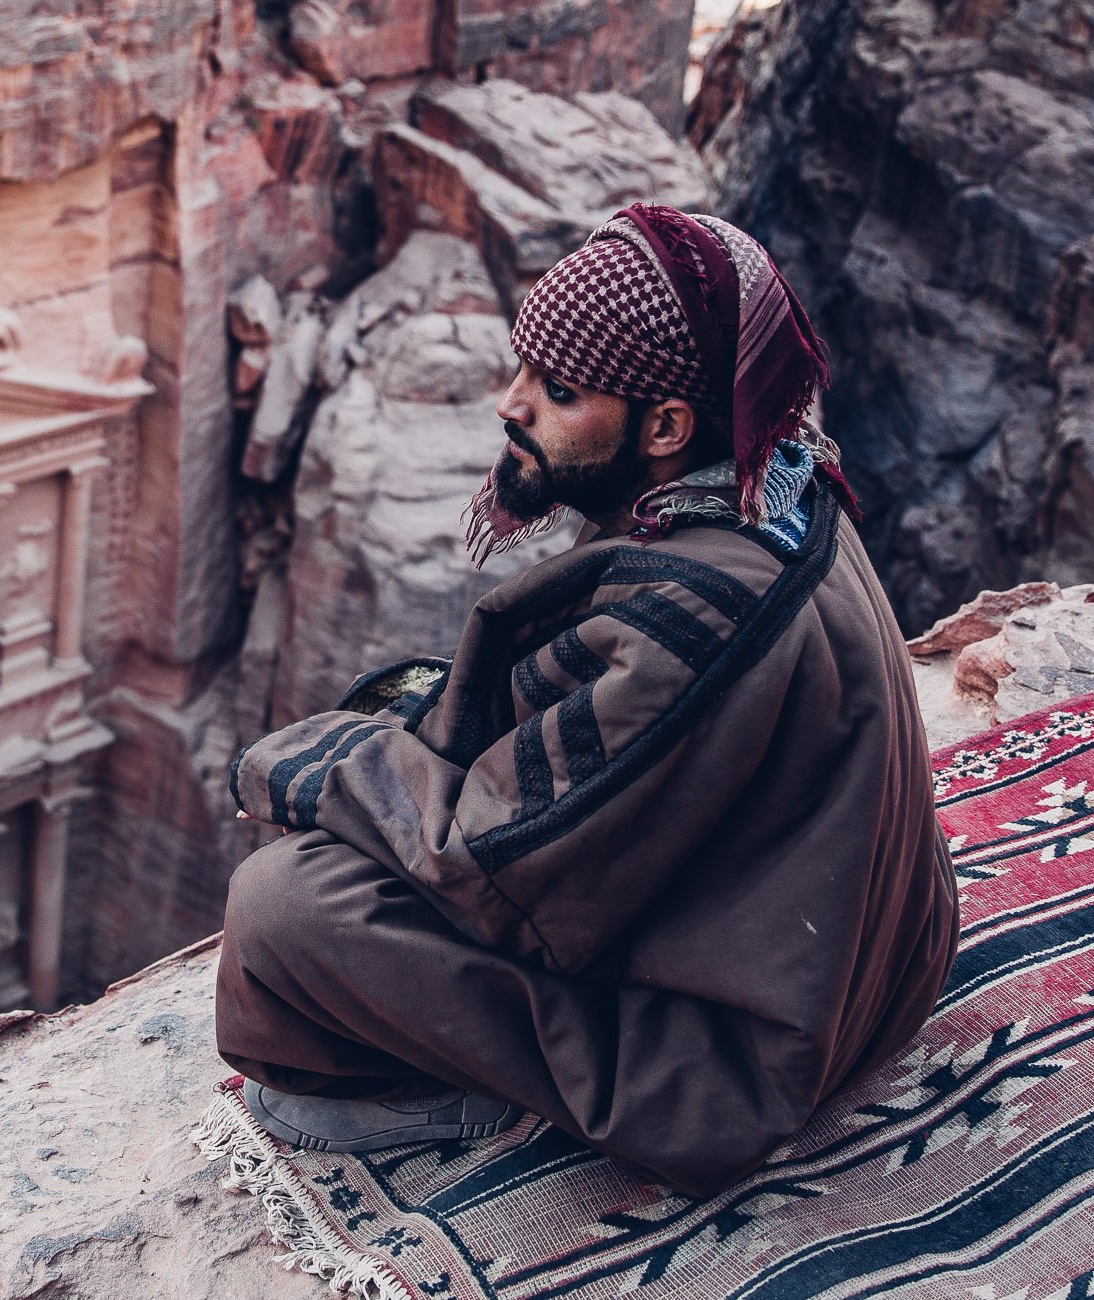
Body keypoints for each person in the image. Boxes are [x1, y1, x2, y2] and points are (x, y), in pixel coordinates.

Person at [214, 204, 959, 1197]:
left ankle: (469, 1095)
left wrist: (309, 765)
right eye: (523, 367)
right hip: (871, 964)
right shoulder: (778, 478)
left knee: (284, 908)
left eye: (557, 390)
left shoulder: (687, 618)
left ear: (664, 427)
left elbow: (480, 862)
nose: (509, 404)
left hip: (733, 1060)